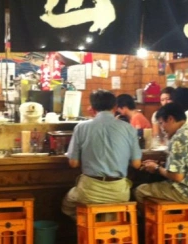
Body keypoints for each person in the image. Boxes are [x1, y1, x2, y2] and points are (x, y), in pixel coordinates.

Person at [61, 89, 142, 220]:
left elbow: (73, 163)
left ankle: (89, 225)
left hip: (89, 192)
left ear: (92, 108)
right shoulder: (129, 129)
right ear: (115, 107)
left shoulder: (81, 128)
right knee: (110, 214)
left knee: (67, 205)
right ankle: (105, 228)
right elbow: (136, 164)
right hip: (119, 193)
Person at [135, 103, 188, 206]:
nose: (162, 128)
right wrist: (160, 165)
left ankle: (159, 217)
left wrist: (156, 168)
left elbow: (177, 176)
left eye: (161, 123)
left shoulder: (178, 138)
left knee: (140, 191)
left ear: (170, 119)